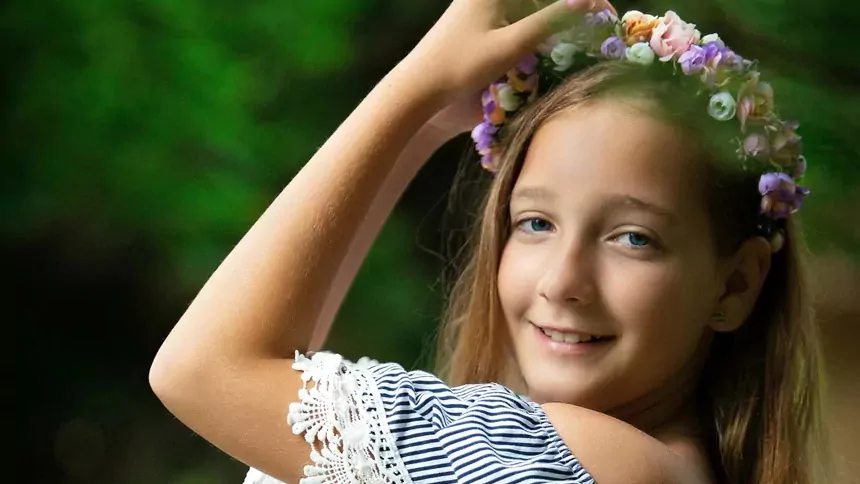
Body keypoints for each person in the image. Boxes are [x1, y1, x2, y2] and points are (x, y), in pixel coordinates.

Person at [149, 1, 828, 483]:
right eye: (534, 222)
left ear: (736, 283)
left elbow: (205, 370)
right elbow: (274, 379)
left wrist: (413, 87)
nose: (562, 280)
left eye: (632, 237)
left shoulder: (577, 460)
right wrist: (425, 128)